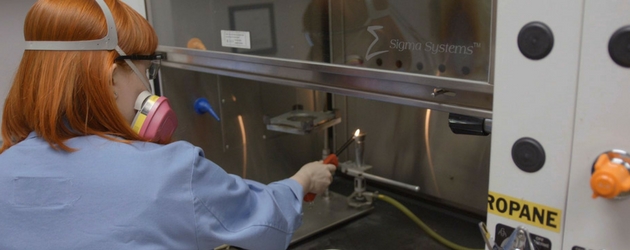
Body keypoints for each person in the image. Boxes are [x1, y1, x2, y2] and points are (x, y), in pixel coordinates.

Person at [0, 0, 335, 249]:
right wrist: (303, 180)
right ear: (112, 76)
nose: (147, 87)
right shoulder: (168, 172)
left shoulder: (6, 165)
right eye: (146, 70)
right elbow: (266, 225)